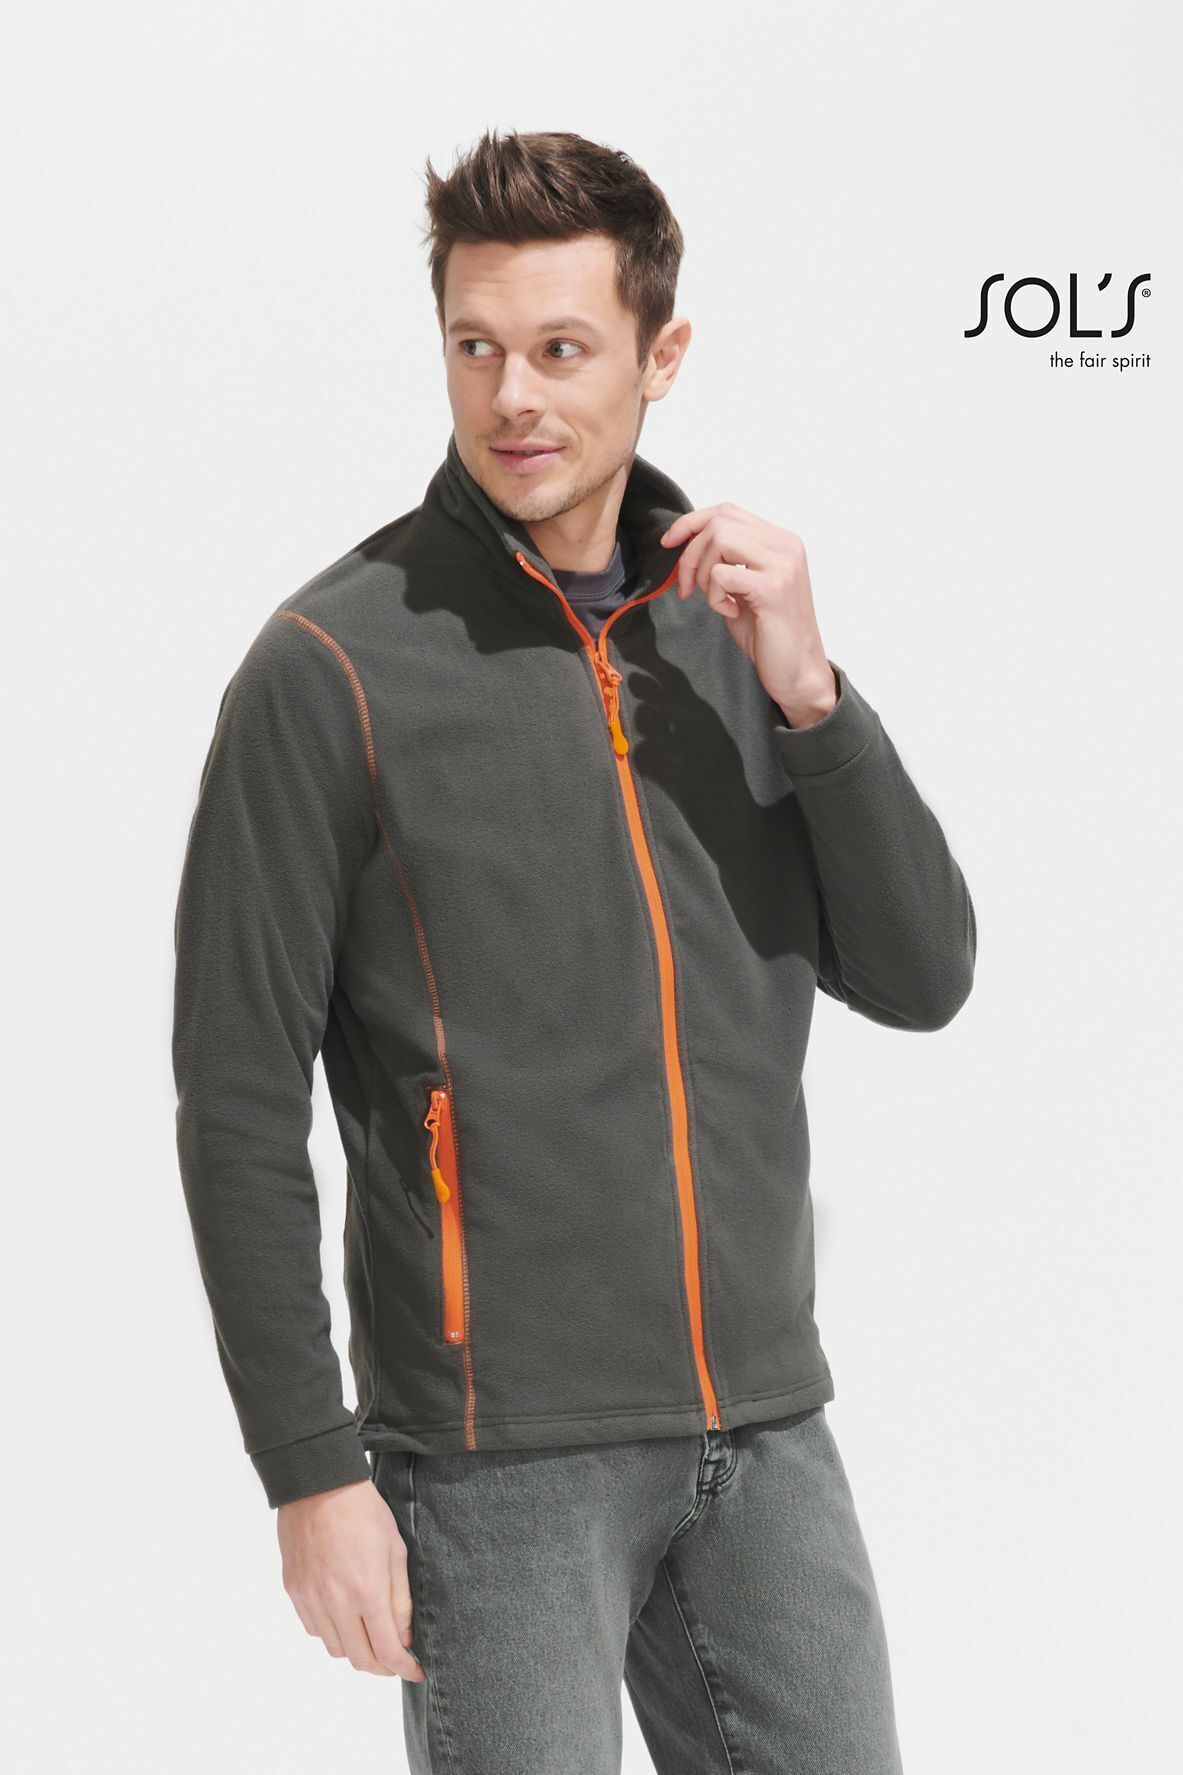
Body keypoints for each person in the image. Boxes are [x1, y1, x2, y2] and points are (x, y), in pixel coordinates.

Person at [171, 127, 976, 1774]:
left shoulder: (730, 638)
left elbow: (922, 974)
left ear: (658, 356)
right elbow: (237, 1099)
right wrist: (311, 1469)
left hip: (763, 1427)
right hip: (497, 1456)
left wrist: (813, 699)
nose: (512, 398)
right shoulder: (330, 667)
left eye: (560, 349)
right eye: (475, 348)